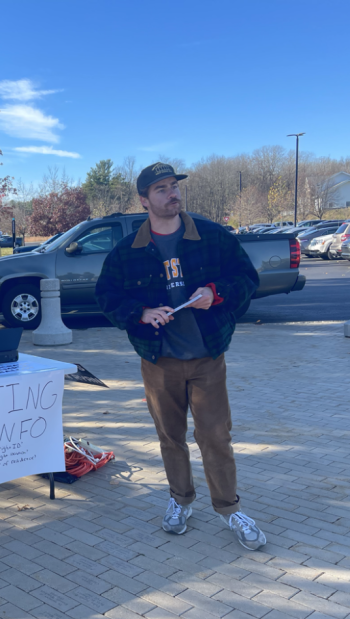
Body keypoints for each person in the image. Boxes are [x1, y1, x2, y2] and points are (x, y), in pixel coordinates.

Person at [94, 162, 266, 550]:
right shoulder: (128, 251)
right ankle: (180, 500)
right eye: (161, 189)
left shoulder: (211, 236)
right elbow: (106, 295)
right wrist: (139, 313)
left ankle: (230, 508)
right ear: (144, 200)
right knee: (171, 437)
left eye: (174, 186)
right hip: (159, 362)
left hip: (207, 357)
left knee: (215, 436)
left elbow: (246, 278)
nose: (172, 194)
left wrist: (215, 293)